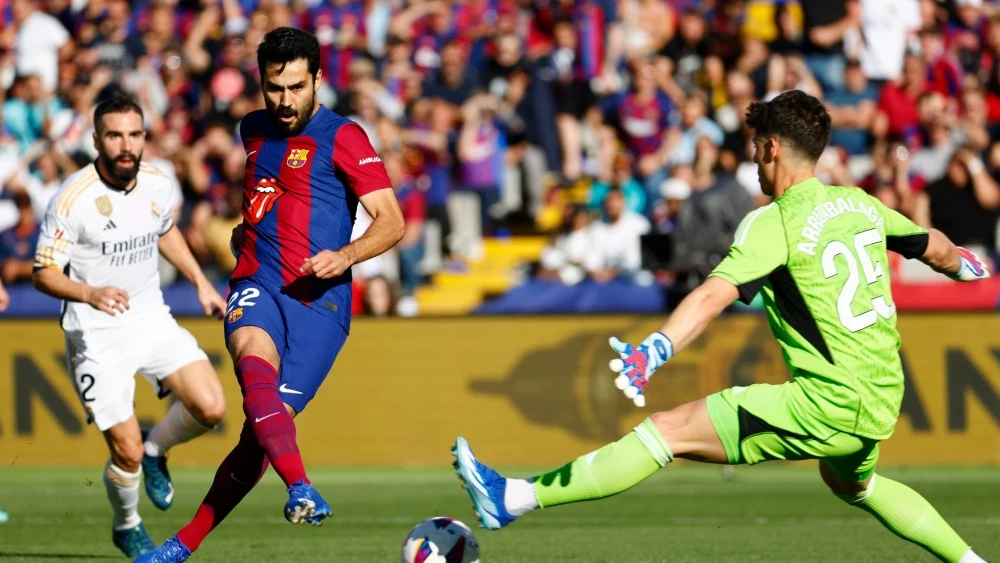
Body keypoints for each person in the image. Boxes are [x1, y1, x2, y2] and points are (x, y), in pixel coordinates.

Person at [452, 90, 993, 563]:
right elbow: (937, 248)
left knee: (665, 432)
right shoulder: (862, 204)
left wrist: (655, 350)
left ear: (772, 148)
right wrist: (968, 267)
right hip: (882, 391)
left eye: (756, 146)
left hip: (831, 400)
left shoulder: (774, 221)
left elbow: (713, 294)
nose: (753, 158)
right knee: (854, 484)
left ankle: (512, 499)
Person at [136, 27, 404, 562]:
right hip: (257, 282)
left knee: (261, 433)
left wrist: (345, 255)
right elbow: (268, 193)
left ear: (318, 80)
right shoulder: (252, 129)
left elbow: (391, 222)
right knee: (252, 368)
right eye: (274, 87)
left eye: (297, 88)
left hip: (320, 305)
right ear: (261, 82)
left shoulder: (345, 136)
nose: (285, 101)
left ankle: (186, 542)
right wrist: (245, 230)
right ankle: (299, 488)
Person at [31, 94, 229, 558]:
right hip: (96, 334)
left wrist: (201, 281)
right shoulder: (72, 199)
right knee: (126, 452)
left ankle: (159, 450)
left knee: (212, 407)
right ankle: (128, 525)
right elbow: (43, 274)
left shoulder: (158, 183)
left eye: (134, 135)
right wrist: (92, 293)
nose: (126, 145)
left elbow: (165, 231)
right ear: (97, 139)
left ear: (145, 137)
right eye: (115, 135)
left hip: (150, 317)